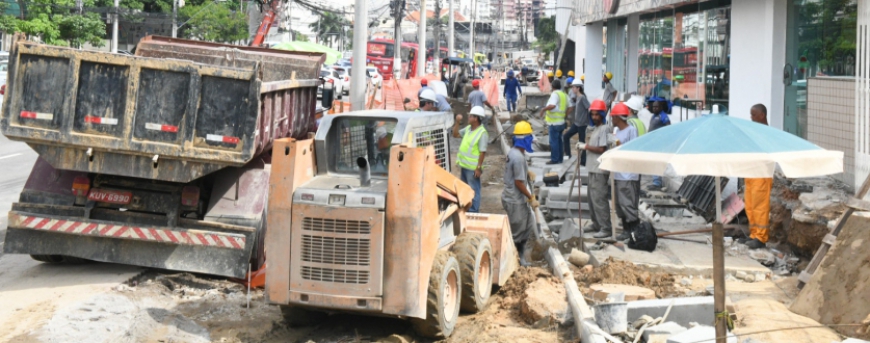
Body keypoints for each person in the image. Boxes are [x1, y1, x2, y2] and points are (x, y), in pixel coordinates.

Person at [502, 120, 538, 265]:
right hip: (515, 200)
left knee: (527, 225)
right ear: (524, 139)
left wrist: (526, 172)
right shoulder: (517, 157)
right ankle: (514, 259)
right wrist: (531, 197)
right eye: (529, 137)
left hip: (514, 199)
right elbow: (518, 182)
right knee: (517, 232)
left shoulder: (515, 152)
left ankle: (520, 257)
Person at [579, 99, 612, 239]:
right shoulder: (595, 129)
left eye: (596, 114)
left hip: (600, 170)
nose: (594, 117)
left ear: (602, 115)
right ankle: (596, 223)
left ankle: (605, 227)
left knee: (599, 199)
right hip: (592, 168)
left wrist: (585, 147)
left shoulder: (604, 129)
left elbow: (601, 149)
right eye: (592, 114)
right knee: (591, 199)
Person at [741, 104, 772, 249]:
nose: (751, 118)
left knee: (760, 206)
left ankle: (761, 237)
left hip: (761, 173)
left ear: (762, 115)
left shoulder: (767, 133)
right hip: (751, 172)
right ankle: (753, 234)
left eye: (754, 115)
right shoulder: (755, 131)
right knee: (750, 205)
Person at [610, 102, 641, 241]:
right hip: (617, 173)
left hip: (628, 175)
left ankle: (634, 230)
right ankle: (626, 230)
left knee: (628, 203)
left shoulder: (631, 131)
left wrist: (619, 145)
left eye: (613, 117)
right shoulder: (617, 131)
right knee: (619, 205)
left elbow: (633, 151)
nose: (612, 119)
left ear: (618, 117)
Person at [453, 106, 489, 213]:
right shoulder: (468, 129)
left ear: (476, 118)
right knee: (465, 189)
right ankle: (466, 208)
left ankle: (473, 211)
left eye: (470, 116)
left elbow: (482, 152)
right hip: (464, 165)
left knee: (474, 190)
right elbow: (455, 134)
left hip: (472, 168)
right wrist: (457, 122)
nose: (468, 117)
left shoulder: (482, 133)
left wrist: (478, 168)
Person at [537, 79, 568, 165]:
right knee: (559, 142)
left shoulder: (555, 94)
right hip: (561, 122)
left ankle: (554, 159)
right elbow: (570, 106)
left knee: (553, 142)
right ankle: (560, 159)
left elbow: (552, 105)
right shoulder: (563, 94)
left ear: (552, 86)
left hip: (554, 123)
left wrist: (543, 109)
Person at [563, 77, 590, 165]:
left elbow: (589, 108)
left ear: (578, 88)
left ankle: (583, 161)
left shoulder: (582, 97)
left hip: (582, 124)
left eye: (574, 87)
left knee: (581, 142)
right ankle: (568, 155)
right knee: (566, 136)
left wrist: (587, 120)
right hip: (576, 123)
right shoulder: (578, 97)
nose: (572, 88)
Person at [646, 98, 671, 190]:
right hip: (653, 143)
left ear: (661, 107)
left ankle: (657, 183)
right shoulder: (653, 116)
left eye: (657, 107)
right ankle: (655, 181)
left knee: (657, 161)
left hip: (659, 143)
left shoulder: (663, 116)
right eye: (653, 107)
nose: (654, 108)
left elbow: (668, 127)